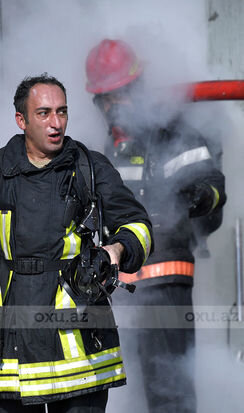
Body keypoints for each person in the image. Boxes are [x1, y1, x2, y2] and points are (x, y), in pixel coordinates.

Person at [0, 74, 153, 412]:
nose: (56, 123)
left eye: (62, 112)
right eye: (44, 113)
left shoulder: (89, 168)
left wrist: (115, 250)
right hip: (10, 351)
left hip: (78, 358)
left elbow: (137, 225)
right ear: (21, 120)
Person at [85, 38, 227, 413]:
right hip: (120, 292)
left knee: (169, 391)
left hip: (164, 284)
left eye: (120, 95)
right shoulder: (108, 147)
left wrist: (197, 195)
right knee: (125, 391)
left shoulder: (170, 134)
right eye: (106, 99)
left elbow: (211, 185)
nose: (114, 107)